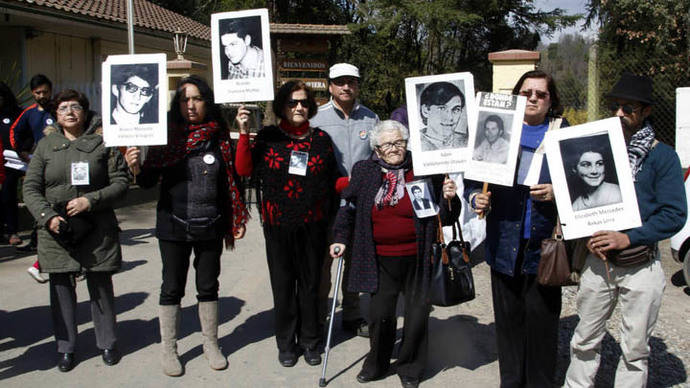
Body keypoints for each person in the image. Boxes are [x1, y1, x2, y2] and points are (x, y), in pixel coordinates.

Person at [564, 73, 687, 388]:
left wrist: (630, 237)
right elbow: (579, 200)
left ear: (645, 111)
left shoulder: (662, 156)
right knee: (584, 339)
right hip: (598, 262)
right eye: (616, 106)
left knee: (635, 348)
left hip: (641, 264)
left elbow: (674, 214)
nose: (619, 113)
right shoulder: (598, 151)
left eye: (628, 108)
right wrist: (584, 233)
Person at [124, 75, 249, 376]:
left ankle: (211, 344)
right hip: (173, 225)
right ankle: (169, 349)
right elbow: (147, 181)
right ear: (177, 104)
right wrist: (135, 166)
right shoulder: (165, 136)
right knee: (172, 287)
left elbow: (234, 176)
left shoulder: (219, 136)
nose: (190, 105)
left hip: (211, 224)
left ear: (207, 102)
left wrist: (234, 218)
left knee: (208, 286)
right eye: (184, 99)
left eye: (196, 99)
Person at [330, 120, 460, 388]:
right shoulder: (364, 171)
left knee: (417, 312)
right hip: (378, 257)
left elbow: (444, 218)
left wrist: (449, 198)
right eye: (388, 144)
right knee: (380, 314)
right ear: (376, 149)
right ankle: (376, 364)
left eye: (399, 142)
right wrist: (341, 239)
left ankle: (411, 367)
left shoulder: (422, 169)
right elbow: (349, 208)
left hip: (418, 256)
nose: (395, 148)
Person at [467, 70, 568, 387]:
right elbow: (472, 179)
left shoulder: (562, 133)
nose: (533, 98)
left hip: (544, 246)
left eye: (541, 94)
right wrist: (475, 198)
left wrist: (557, 191)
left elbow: (579, 181)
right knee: (509, 324)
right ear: (516, 96)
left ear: (551, 100)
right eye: (527, 93)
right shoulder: (495, 128)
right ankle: (510, 382)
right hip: (504, 242)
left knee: (543, 324)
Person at [22, 89, 129, 372]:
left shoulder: (103, 143)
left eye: (75, 107)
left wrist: (90, 200)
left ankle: (107, 342)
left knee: (100, 284)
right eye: (63, 108)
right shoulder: (45, 146)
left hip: (96, 225)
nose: (69, 112)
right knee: (61, 289)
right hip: (57, 228)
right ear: (55, 115)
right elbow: (30, 187)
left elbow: (120, 183)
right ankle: (66, 347)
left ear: (85, 111)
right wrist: (47, 217)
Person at [235, 80, 339, 367]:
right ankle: (286, 343)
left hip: (313, 226)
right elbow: (244, 169)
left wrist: (361, 183)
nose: (299, 107)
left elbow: (333, 182)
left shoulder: (321, 140)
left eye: (304, 102)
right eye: (293, 102)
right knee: (283, 286)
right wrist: (244, 133)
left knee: (309, 286)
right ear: (282, 105)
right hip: (278, 226)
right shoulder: (268, 137)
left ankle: (310, 340)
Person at [311, 63, 379, 337]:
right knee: (324, 264)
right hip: (327, 204)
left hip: (359, 205)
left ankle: (351, 315)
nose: (346, 86)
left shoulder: (371, 118)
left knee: (354, 262)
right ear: (330, 86)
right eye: (340, 82)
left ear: (357, 85)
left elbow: (377, 158)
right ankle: (318, 316)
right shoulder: (317, 118)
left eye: (351, 81)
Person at [10, 74, 54, 277]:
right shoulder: (28, 114)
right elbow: (14, 132)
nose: (42, 96)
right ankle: (37, 243)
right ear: (32, 94)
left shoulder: (60, 108)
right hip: (39, 164)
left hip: (60, 164)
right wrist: (23, 153)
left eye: (45, 92)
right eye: (38, 93)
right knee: (39, 204)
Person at [562, 139, 622, 211]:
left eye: (599, 164)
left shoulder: (618, 193)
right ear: (575, 169)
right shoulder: (576, 206)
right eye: (586, 165)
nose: (594, 171)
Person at [0, 82, 23, 246]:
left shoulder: (16, 113)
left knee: (8, 194)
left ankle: (11, 230)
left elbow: (24, 134)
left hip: (10, 162)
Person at [419, 81, 467, 151]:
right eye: (442, 108)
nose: (450, 117)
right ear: (425, 111)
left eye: (456, 110)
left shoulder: (468, 141)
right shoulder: (413, 145)